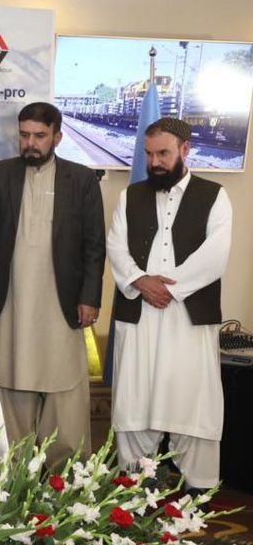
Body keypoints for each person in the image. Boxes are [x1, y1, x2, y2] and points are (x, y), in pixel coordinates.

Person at [0, 102, 104, 466]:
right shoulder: (0, 174)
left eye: (39, 136)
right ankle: (11, 468)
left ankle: (64, 471)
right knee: (10, 372)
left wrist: (90, 297)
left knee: (63, 381)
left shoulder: (82, 179)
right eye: (24, 135)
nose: (30, 143)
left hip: (62, 301)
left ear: (57, 137)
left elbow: (94, 245)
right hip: (12, 297)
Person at [107, 117, 232, 492]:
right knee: (135, 399)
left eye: (163, 153)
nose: (154, 162)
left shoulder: (215, 195)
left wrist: (170, 289)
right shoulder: (130, 196)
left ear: (185, 149)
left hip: (188, 319)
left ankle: (196, 493)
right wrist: (140, 281)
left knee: (193, 400)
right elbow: (116, 246)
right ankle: (133, 491)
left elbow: (215, 255)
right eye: (148, 154)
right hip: (139, 312)